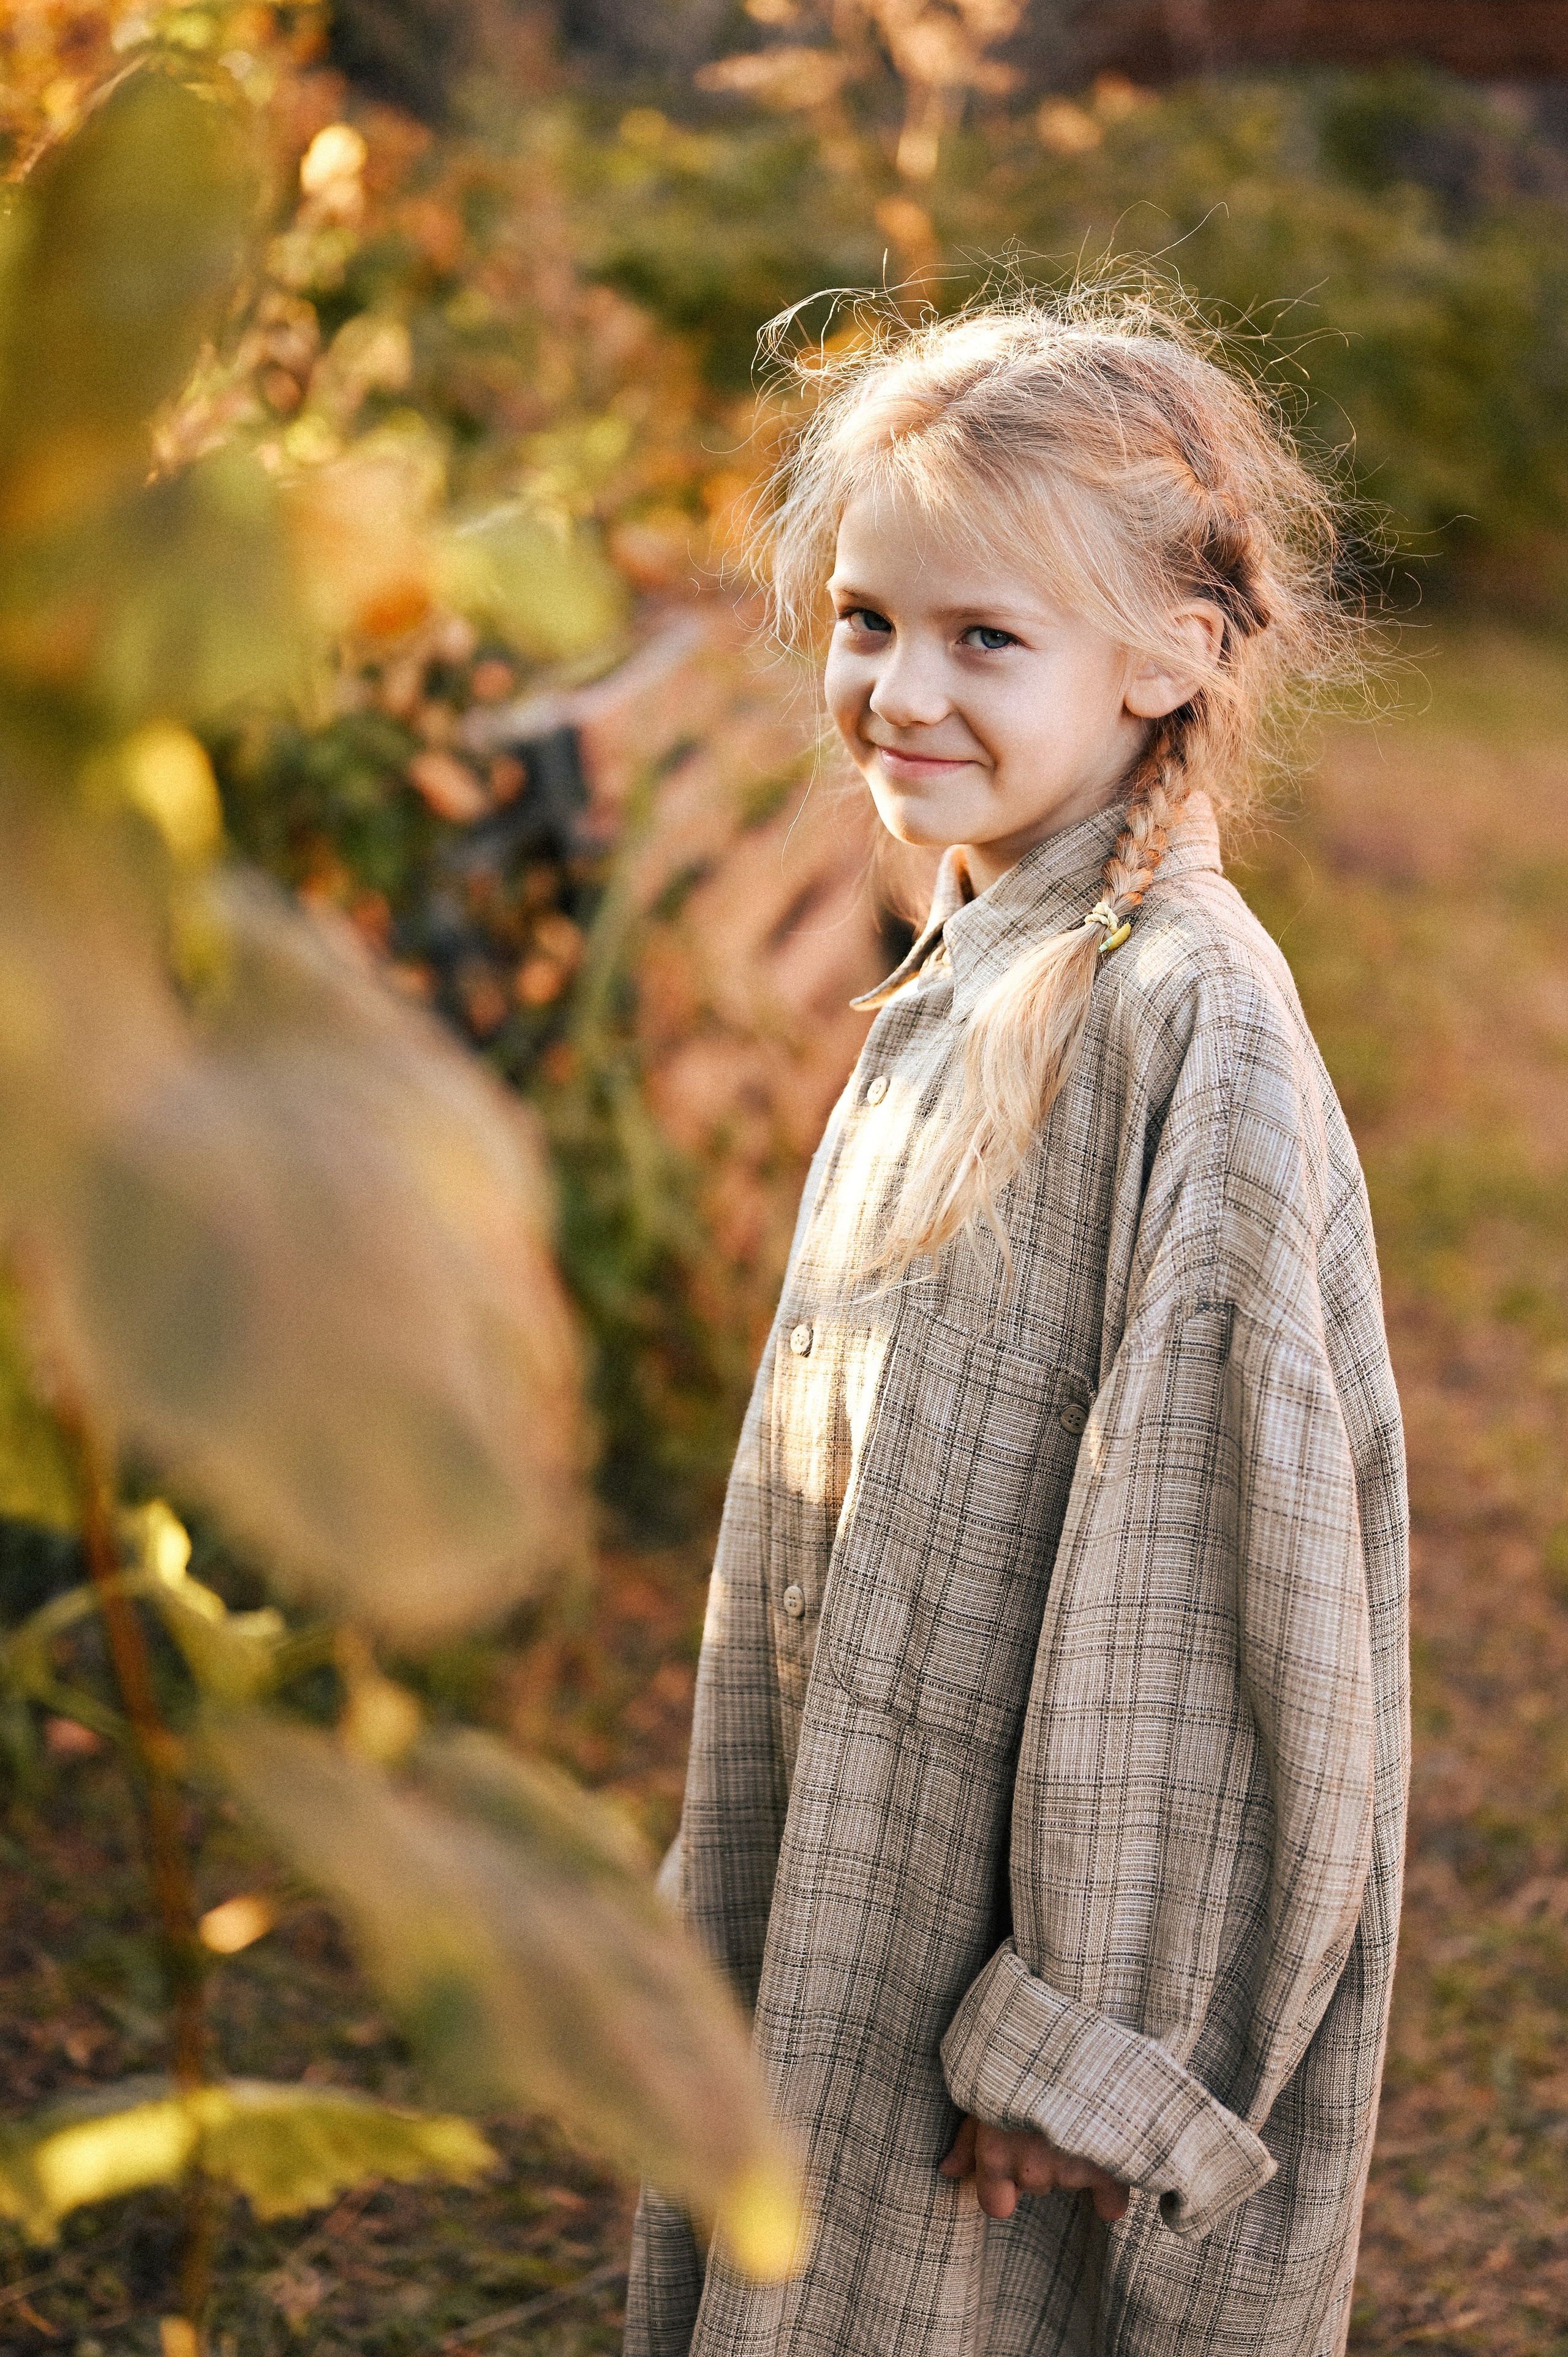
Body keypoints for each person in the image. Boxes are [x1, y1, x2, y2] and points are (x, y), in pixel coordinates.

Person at [624, 293, 1409, 2357]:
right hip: (875, 1854)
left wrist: (1100, 2026)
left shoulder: (1188, 1028)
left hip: (1020, 1947)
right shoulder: (981, 952)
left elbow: (1211, 1574)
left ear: (1174, 658)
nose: (895, 686)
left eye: (987, 638)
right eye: (869, 617)